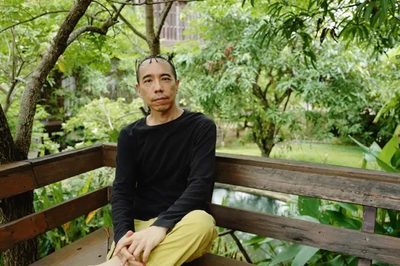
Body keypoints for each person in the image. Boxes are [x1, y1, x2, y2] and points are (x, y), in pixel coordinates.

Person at [96, 55, 217, 266]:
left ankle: (117, 263)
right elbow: (122, 191)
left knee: (203, 223)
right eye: (148, 80)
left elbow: (200, 186)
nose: (158, 87)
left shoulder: (200, 127)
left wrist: (160, 227)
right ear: (139, 89)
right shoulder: (130, 135)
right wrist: (123, 236)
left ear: (177, 84)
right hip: (139, 229)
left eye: (165, 78)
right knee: (129, 247)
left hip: (182, 226)